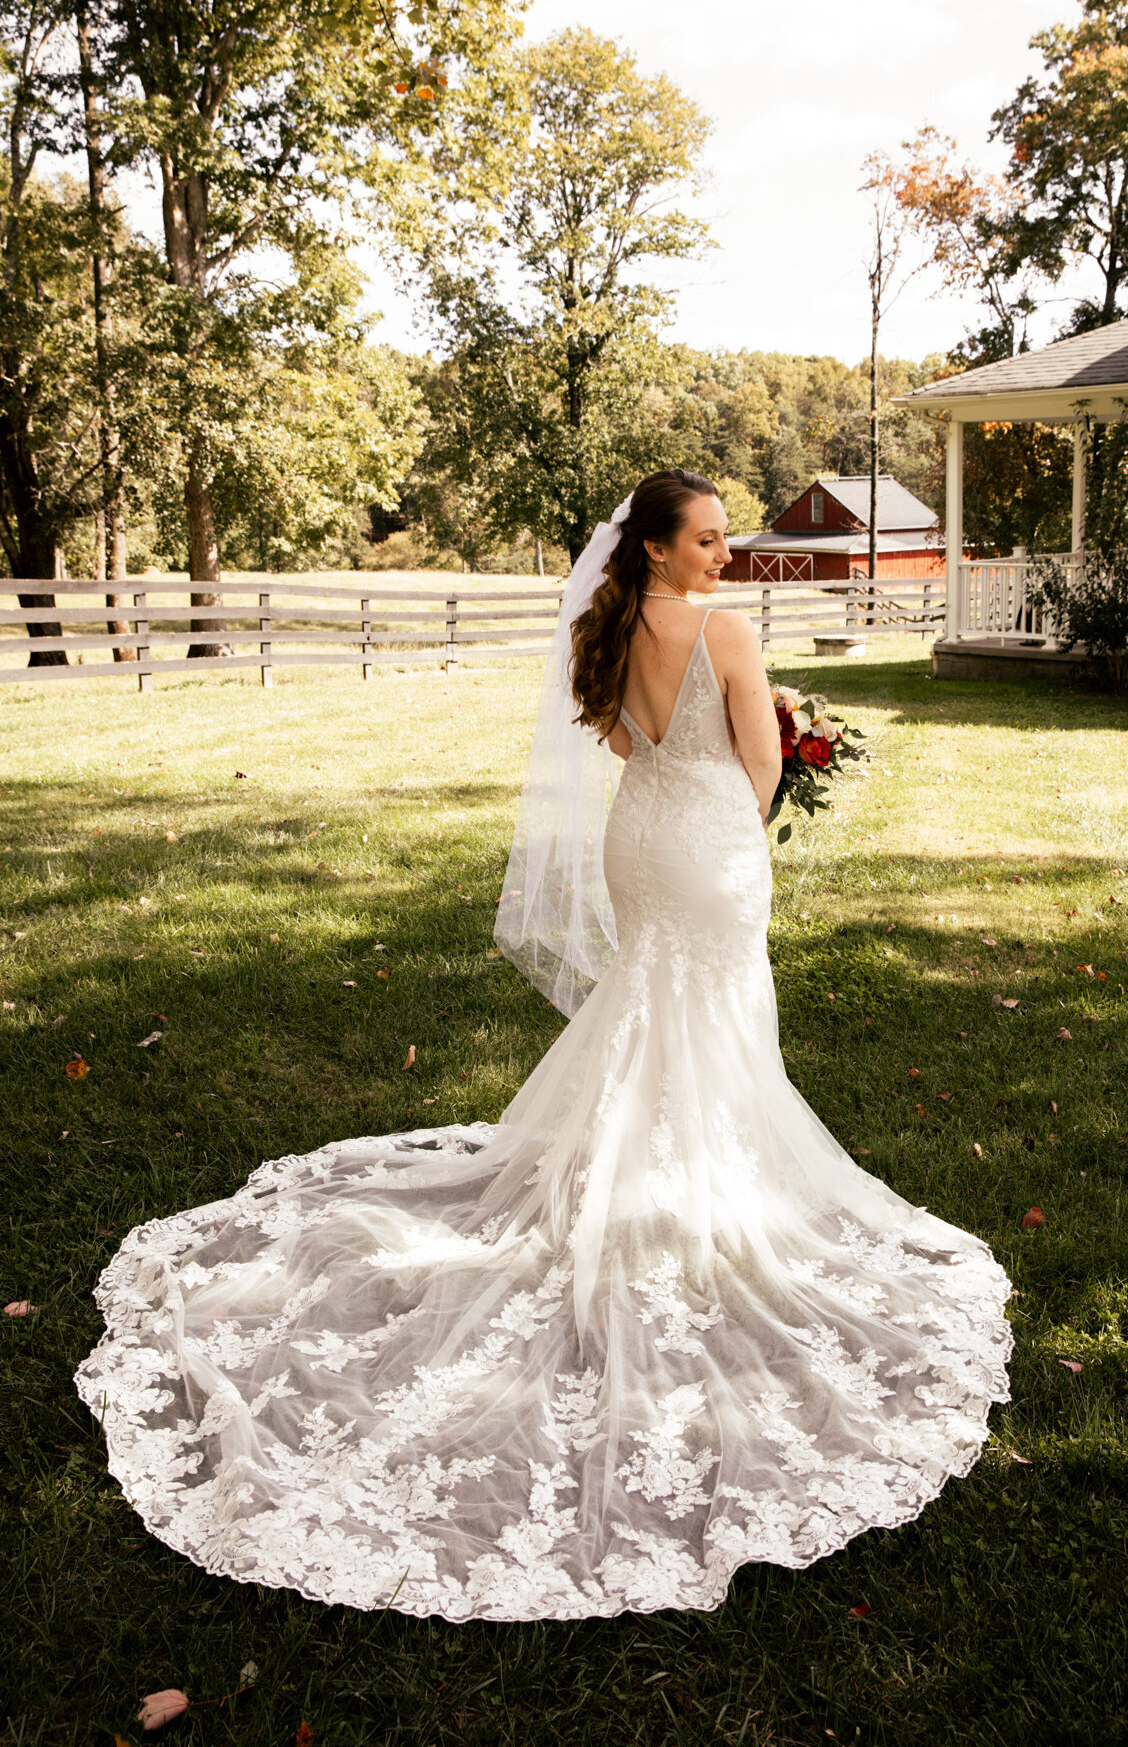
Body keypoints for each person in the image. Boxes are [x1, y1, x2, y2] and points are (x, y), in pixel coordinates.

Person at [75, 468, 1013, 1623]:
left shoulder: (611, 626)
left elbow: (625, 743)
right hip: (712, 841)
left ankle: (650, 1162)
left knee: (651, 1000)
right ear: (662, 549)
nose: (726, 554)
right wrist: (750, 811)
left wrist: (694, 786)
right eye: (709, 539)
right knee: (712, 1005)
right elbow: (763, 764)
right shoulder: (726, 629)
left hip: (644, 837)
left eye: (724, 540)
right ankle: (698, 1177)